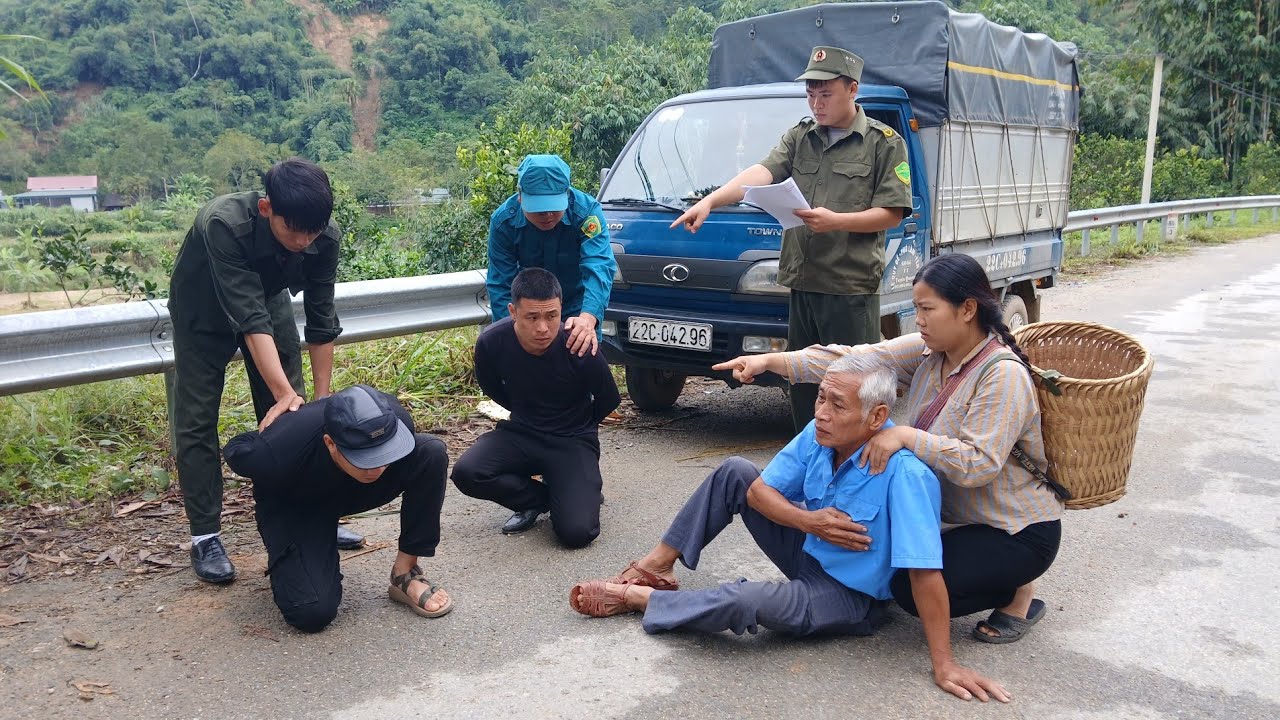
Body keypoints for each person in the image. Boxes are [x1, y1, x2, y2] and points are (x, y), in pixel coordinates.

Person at [569, 355, 1008, 703]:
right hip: (807, 549)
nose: (821, 413)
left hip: (849, 596)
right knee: (735, 472)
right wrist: (807, 520)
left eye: (837, 405)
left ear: (876, 417)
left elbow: (925, 571)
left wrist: (944, 663)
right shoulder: (820, 435)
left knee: (746, 598)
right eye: (820, 397)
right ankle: (657, 567)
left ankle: (641, 599)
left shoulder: (905, 475)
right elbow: (758, 493)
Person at [714, 253, 1065, 645]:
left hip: (1013, 530)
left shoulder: (1002, 375)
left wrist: (907, 436)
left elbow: (978, 464)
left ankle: (1017, 590)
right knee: (905, 572)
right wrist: (771, 361)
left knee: (909, 593)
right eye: (917, 308)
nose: (920, 319)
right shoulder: (930, 352)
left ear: (967, 309)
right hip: (957, 521)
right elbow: (853, 360)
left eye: (928, 308)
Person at [670, 46, 913, 433]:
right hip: (803, 283)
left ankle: (858, 470)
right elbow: (761, 173)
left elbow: (892, 212)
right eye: (811, 94)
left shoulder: (883, 143)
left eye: (826, 93)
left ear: (852, 89)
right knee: (803, 385)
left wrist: (836, 222)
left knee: (856, 386)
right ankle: (809, 463)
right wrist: (711, 201)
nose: (817, 103)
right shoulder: (801, 137)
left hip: (849, 289)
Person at [167, 157, 363, 584]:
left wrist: (321, 397)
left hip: (267, 300)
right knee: (197, 419)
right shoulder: (223, 223)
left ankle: (306, 515)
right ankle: (205, 535)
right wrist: (284, 393)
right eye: (294, 230)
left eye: (312, 232)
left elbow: (321, 317)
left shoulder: (320, 235)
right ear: (266, 209)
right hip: (202, 310)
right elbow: (247, 317)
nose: (303, 241)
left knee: (294, 419)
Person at [223, 385, 451, 632]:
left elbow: (396, 459)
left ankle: (404, 574)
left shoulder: (396, 421)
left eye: (382, 453)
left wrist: (371, 460)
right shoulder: (272, 453)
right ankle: (311, 547)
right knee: (311, 612)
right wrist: (276, 425)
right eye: (364, 458)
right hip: (298, 502)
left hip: (351, 489)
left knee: (430, 452)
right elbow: (235, 446)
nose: (375, 467)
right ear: (330, 443)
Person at [452, 267, 621, 546]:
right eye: (532, 317)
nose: (543, 328)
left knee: (577, 533)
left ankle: (575, 489)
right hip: (522, 432)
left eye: (551, 316)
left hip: (572, 440)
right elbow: (491, 387)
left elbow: (608, 398)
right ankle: (539, 499)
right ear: (513, 311)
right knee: (468, 472)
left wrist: (581, 429)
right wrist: (524, 411)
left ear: (561, 310)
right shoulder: (492, 342)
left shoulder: (577, 344)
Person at [486, 154, 617, 357]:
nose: (547, 215)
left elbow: (599, 264)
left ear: (566, 194)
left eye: (554, 207)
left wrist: (588, 317)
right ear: (521, 196)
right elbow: (500, 283)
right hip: (530, 312)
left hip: (578, 305)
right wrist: (511, 330)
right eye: (539, 209)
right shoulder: (504, 222)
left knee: (580, 368)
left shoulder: (586, 213)